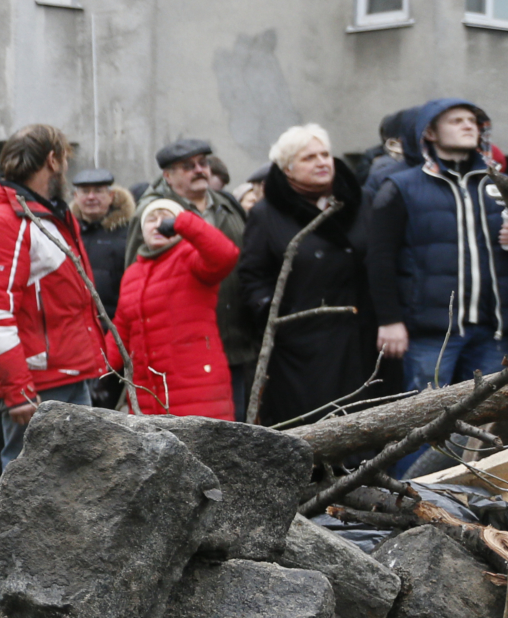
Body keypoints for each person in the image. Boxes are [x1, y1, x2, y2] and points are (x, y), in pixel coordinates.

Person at [0, 124, 109, 467]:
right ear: (52, 160)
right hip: (39, 385)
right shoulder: (5, 219)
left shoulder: (48, 212)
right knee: (28, 492)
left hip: (67, 375)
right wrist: (17, 391)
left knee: (74, 484)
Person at [366, 98, 508, 390]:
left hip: (494, 330)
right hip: (431, 333)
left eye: (472, 121)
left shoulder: (499, 185)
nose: (468, 125)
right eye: (456, 121)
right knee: (426, 425)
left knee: (484, 427)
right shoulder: (401, 186)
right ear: (429, 133)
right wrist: (389, 320)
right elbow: (379, 258)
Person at [236, 124, 372, 427]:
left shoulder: (360, 203)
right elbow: (252, 277)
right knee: (313, 426)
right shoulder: (267, 214)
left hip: (361, 338)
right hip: (302, 346)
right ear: (288, 168)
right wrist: (280, 314)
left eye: (325, 154)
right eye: (309, 157)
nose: (323, 162)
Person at [127, 137, 257, 414]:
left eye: (203, 163)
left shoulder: (226, 204)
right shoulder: (153, 214)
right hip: (183, 352)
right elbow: (135, 278)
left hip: (236, 337)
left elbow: (245, 259)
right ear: (168, 176)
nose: (199, 170)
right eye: (188, 166)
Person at [113, 197, 242, 418]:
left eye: (166, 217)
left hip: (198, 394)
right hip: (147, 398)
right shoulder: (132, 274)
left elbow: (225, 255)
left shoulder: (192, 258)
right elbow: (122, 331)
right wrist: (96, 373)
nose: (158, 224)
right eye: (151, 219)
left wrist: (183, 222)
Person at [70, 168, 133, 317]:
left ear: (111, 196)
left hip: (116, 321)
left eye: (98, 191)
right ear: (76, 196)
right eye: (85, 192)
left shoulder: (129, 232)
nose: (91, 197)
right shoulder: (66, 232)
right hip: (77, 321)